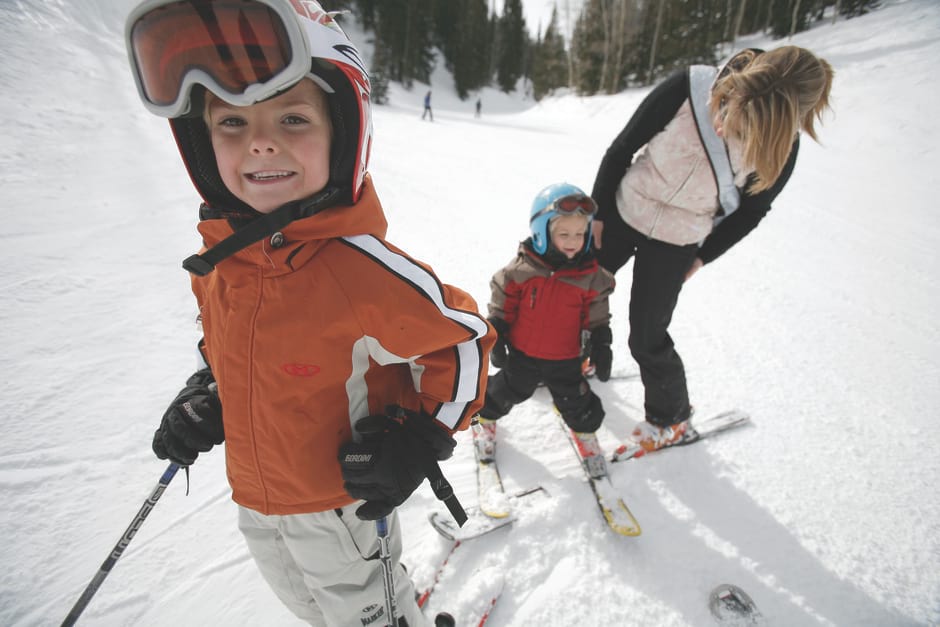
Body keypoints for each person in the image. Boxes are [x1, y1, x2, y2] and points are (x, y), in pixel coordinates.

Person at [125, 1, 494, 625]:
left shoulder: (357, 268)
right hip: (257, 497)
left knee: (366, 610)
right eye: (232, 123)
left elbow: (462, 341)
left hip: (342, 505)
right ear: (199, 141)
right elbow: (220, 343)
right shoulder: (221, 261)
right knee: (307, 605)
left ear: (345, 131)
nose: (261, 141)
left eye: (292, 117)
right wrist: (207, 391)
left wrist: (421, 436)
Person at [590, 46, 833, 457]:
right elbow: (623, 147)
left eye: (743, 126)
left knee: (648, 334)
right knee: (583, 290)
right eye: (730, 109)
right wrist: (598, 209)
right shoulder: (689, 87)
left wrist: (702, 257)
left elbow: (752, 211)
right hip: (625, 206)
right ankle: (579, 357)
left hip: (680, 237)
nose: (723, 129)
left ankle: (671, 419)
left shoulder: (780, 146)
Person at [475, 183, 615, 476]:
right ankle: (484, 418)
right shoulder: (523, 270)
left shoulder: (590, 276)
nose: (573, 241)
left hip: (566, 357)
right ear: (542, 232)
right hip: (523, 352)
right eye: (564, 234)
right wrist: (497, 329)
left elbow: (597, 314)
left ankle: (586, 434)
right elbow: (503, 297)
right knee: (508, 389)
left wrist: (601, 343)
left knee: (575, 400)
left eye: (580, 234)